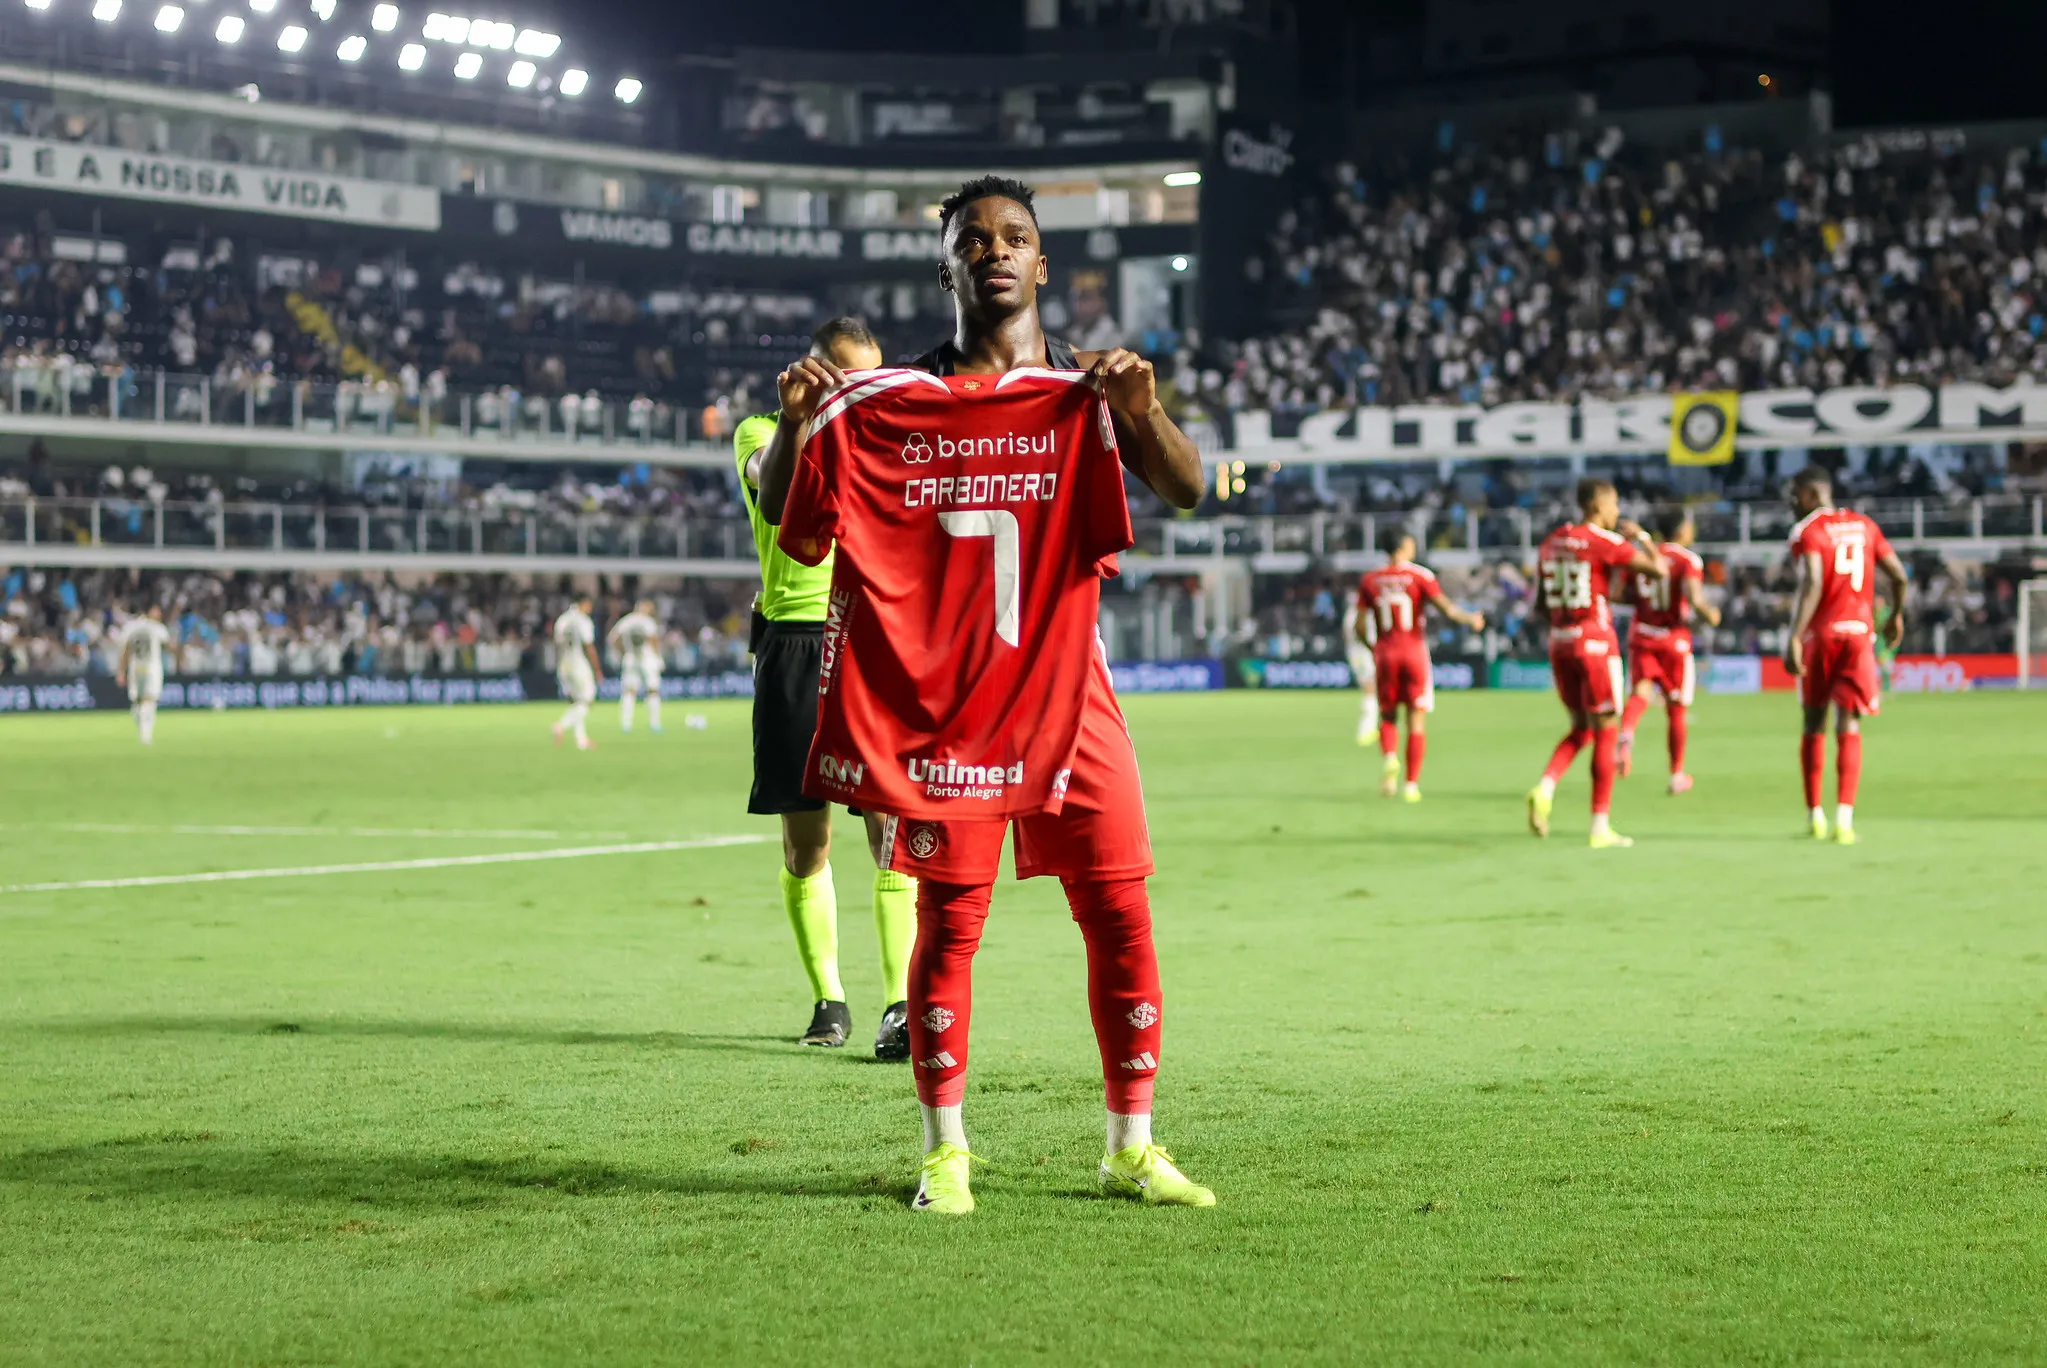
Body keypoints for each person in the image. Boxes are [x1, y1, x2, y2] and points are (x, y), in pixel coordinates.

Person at [759, 175, 1212, 1216]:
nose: (995, 252)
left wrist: (1143, 412)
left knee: (1121, 910)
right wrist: (796, 425)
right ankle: (944, 1151)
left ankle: (1130, 1145)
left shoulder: (1090, 390)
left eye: (1015, 238)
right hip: (943, 704)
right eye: (975, 239)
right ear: (949, 263)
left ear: (1042, 264)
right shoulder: (889, 402)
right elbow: (790, 508)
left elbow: (1186, 486)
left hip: (1069, 692)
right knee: (948, 926)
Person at [735, 317, 916, 1058]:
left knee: (889, 832)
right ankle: (828, 1002)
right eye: (847, 375)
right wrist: (798, 420)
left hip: (868, 640)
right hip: (794, 645)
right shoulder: (759, 432)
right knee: (805, 844)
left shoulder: (881, 438)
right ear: (811, 370)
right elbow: (766, 487)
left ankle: (901, 1006)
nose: (859, 390)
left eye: (869, 377)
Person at [1526, 478, 1668, 847]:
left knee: (1580, 728)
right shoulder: (1604, 542)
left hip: (1560, 643)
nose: (1617, 512)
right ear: (1597, 505)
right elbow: (1659, 571)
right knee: (1605, 729)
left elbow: (1540, 603)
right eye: (1614, 504)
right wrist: (1645, 538)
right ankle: (1599, 826)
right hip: (1594, 644)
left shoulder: (1552, 541)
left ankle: (1545, 787)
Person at [1783, 467, 1908, 843]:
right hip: (1858, 634)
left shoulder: (1809, 531)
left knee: (1813, 722)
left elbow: (1814, 581)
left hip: (1821, 635)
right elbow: (1899, 576)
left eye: (1794, 495)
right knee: (1849, 724)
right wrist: (1896, 615)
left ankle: (1814, 815)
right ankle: (1845, 820)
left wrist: (1794, 635)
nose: (1792, 504)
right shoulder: (1865, 526)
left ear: (1808, 494)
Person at [1356, 530, 1486, 802]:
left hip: (1385, 653)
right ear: (1404, 546)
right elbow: (1448, 610)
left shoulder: (1370, 580)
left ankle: (1390, 758)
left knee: (1388, 715)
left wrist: (1374, 648)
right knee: (1416, 719)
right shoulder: (1420, 576)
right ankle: (1411, 785)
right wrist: (1470, 619)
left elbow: (1358, 626)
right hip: (1413, 651)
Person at [1616, 508, 1722, 794]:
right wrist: (1710, 614)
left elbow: (1622, 594)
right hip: (1673, 639)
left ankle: (1625, 735)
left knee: (1640, 692)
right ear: (1681, 530)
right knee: (1676, 706)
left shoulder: (1642, 556)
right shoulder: (1687, 560)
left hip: (1642, 633)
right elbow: (1694, 597)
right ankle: (1676, 774)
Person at [550, 594, 602, 750]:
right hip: (579, 663)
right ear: (584, 603)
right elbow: (589, 646)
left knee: (576, 701)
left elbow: (556, 644)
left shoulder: (562, 620)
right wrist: (597, 669)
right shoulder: (583, 621)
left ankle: (581, 740)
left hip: (564, 664)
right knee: (587, 700)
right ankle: (561, 725)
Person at [114, 605, 171, 746]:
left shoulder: (130, 627)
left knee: (137, 701)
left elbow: (125, 650)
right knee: (149, 700)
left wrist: (121, 671)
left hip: (135, 668)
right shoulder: (157, 628)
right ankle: (145, 734)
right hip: (152, 667)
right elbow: (168, 644)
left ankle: (143, 731)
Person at [607, 598, 665, 735]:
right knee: (653, 691)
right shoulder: (648, 622)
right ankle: (655, 724)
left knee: (629, 692)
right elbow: (653, 640)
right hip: (647, 659)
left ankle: (626, 724)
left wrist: (623, 653)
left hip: (630, 658)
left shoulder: (627, 621)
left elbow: (613, 639)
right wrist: (659, 658)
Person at [1341, 587, 1379, 747]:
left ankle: (1371, 726)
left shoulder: (1353, 612)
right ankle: (1366, 729)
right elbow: (1357, 631)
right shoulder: (1359, 613)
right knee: (1370, 689)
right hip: (1362, 653)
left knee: (1372, 689)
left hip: (1358, 653)